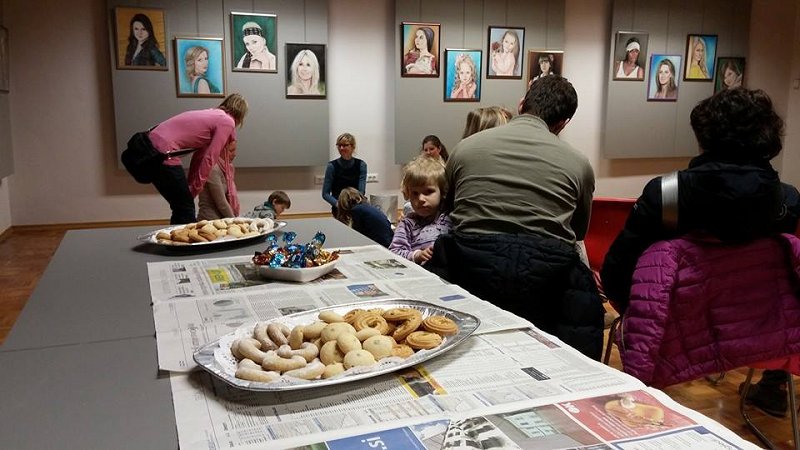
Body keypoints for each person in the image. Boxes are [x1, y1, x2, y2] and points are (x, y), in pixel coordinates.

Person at [600, 87, 800, 416]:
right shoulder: (786, 201)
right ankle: (771, 388)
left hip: (674, 340)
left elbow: (618, 273)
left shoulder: (667, 195)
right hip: (761, 335)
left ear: (703, 136)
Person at [429, 76, 602, 359]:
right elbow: (578, 231)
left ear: (521, 104)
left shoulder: (465, 148)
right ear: (563, 123)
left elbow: (448, 210)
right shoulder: (579, 164)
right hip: (544, 280)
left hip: (471, 268)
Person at [147, 93, 248, 224]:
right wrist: (194, 190)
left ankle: (179, 235)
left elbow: (198, 159)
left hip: (151, 147)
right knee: (185, 207)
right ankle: (181, 237)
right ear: (240, 115)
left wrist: (192, 189)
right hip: (163, 151)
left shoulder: (213, 115)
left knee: (182, 205)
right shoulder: (226, 121)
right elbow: (209, 158)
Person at [390, 157, 451, 264]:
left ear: (442, 192)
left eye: (429, 191)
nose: (421, 199)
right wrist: (416, 255)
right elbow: (395, 252)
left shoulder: (449, 216)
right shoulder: (408, 224)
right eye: (415, 193)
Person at [322, 133, 367, 214]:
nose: (341, 148)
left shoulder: (361, 165)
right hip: (338, 206)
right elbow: (325, 194)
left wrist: (355, 205)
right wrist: (338, 204)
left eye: (345, 145)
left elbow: (361, 191)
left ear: (353, 147)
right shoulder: (332, 166)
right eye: (339, 145)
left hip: (356, 205)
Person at [197, 140, 239, 220]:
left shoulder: (228, 168)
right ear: (220, 150)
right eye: (231, 151)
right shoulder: (212, 169)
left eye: (235, 150)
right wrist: (234, 221)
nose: (234, 154)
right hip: (210, 220)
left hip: (223, 218)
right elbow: (221, 203)